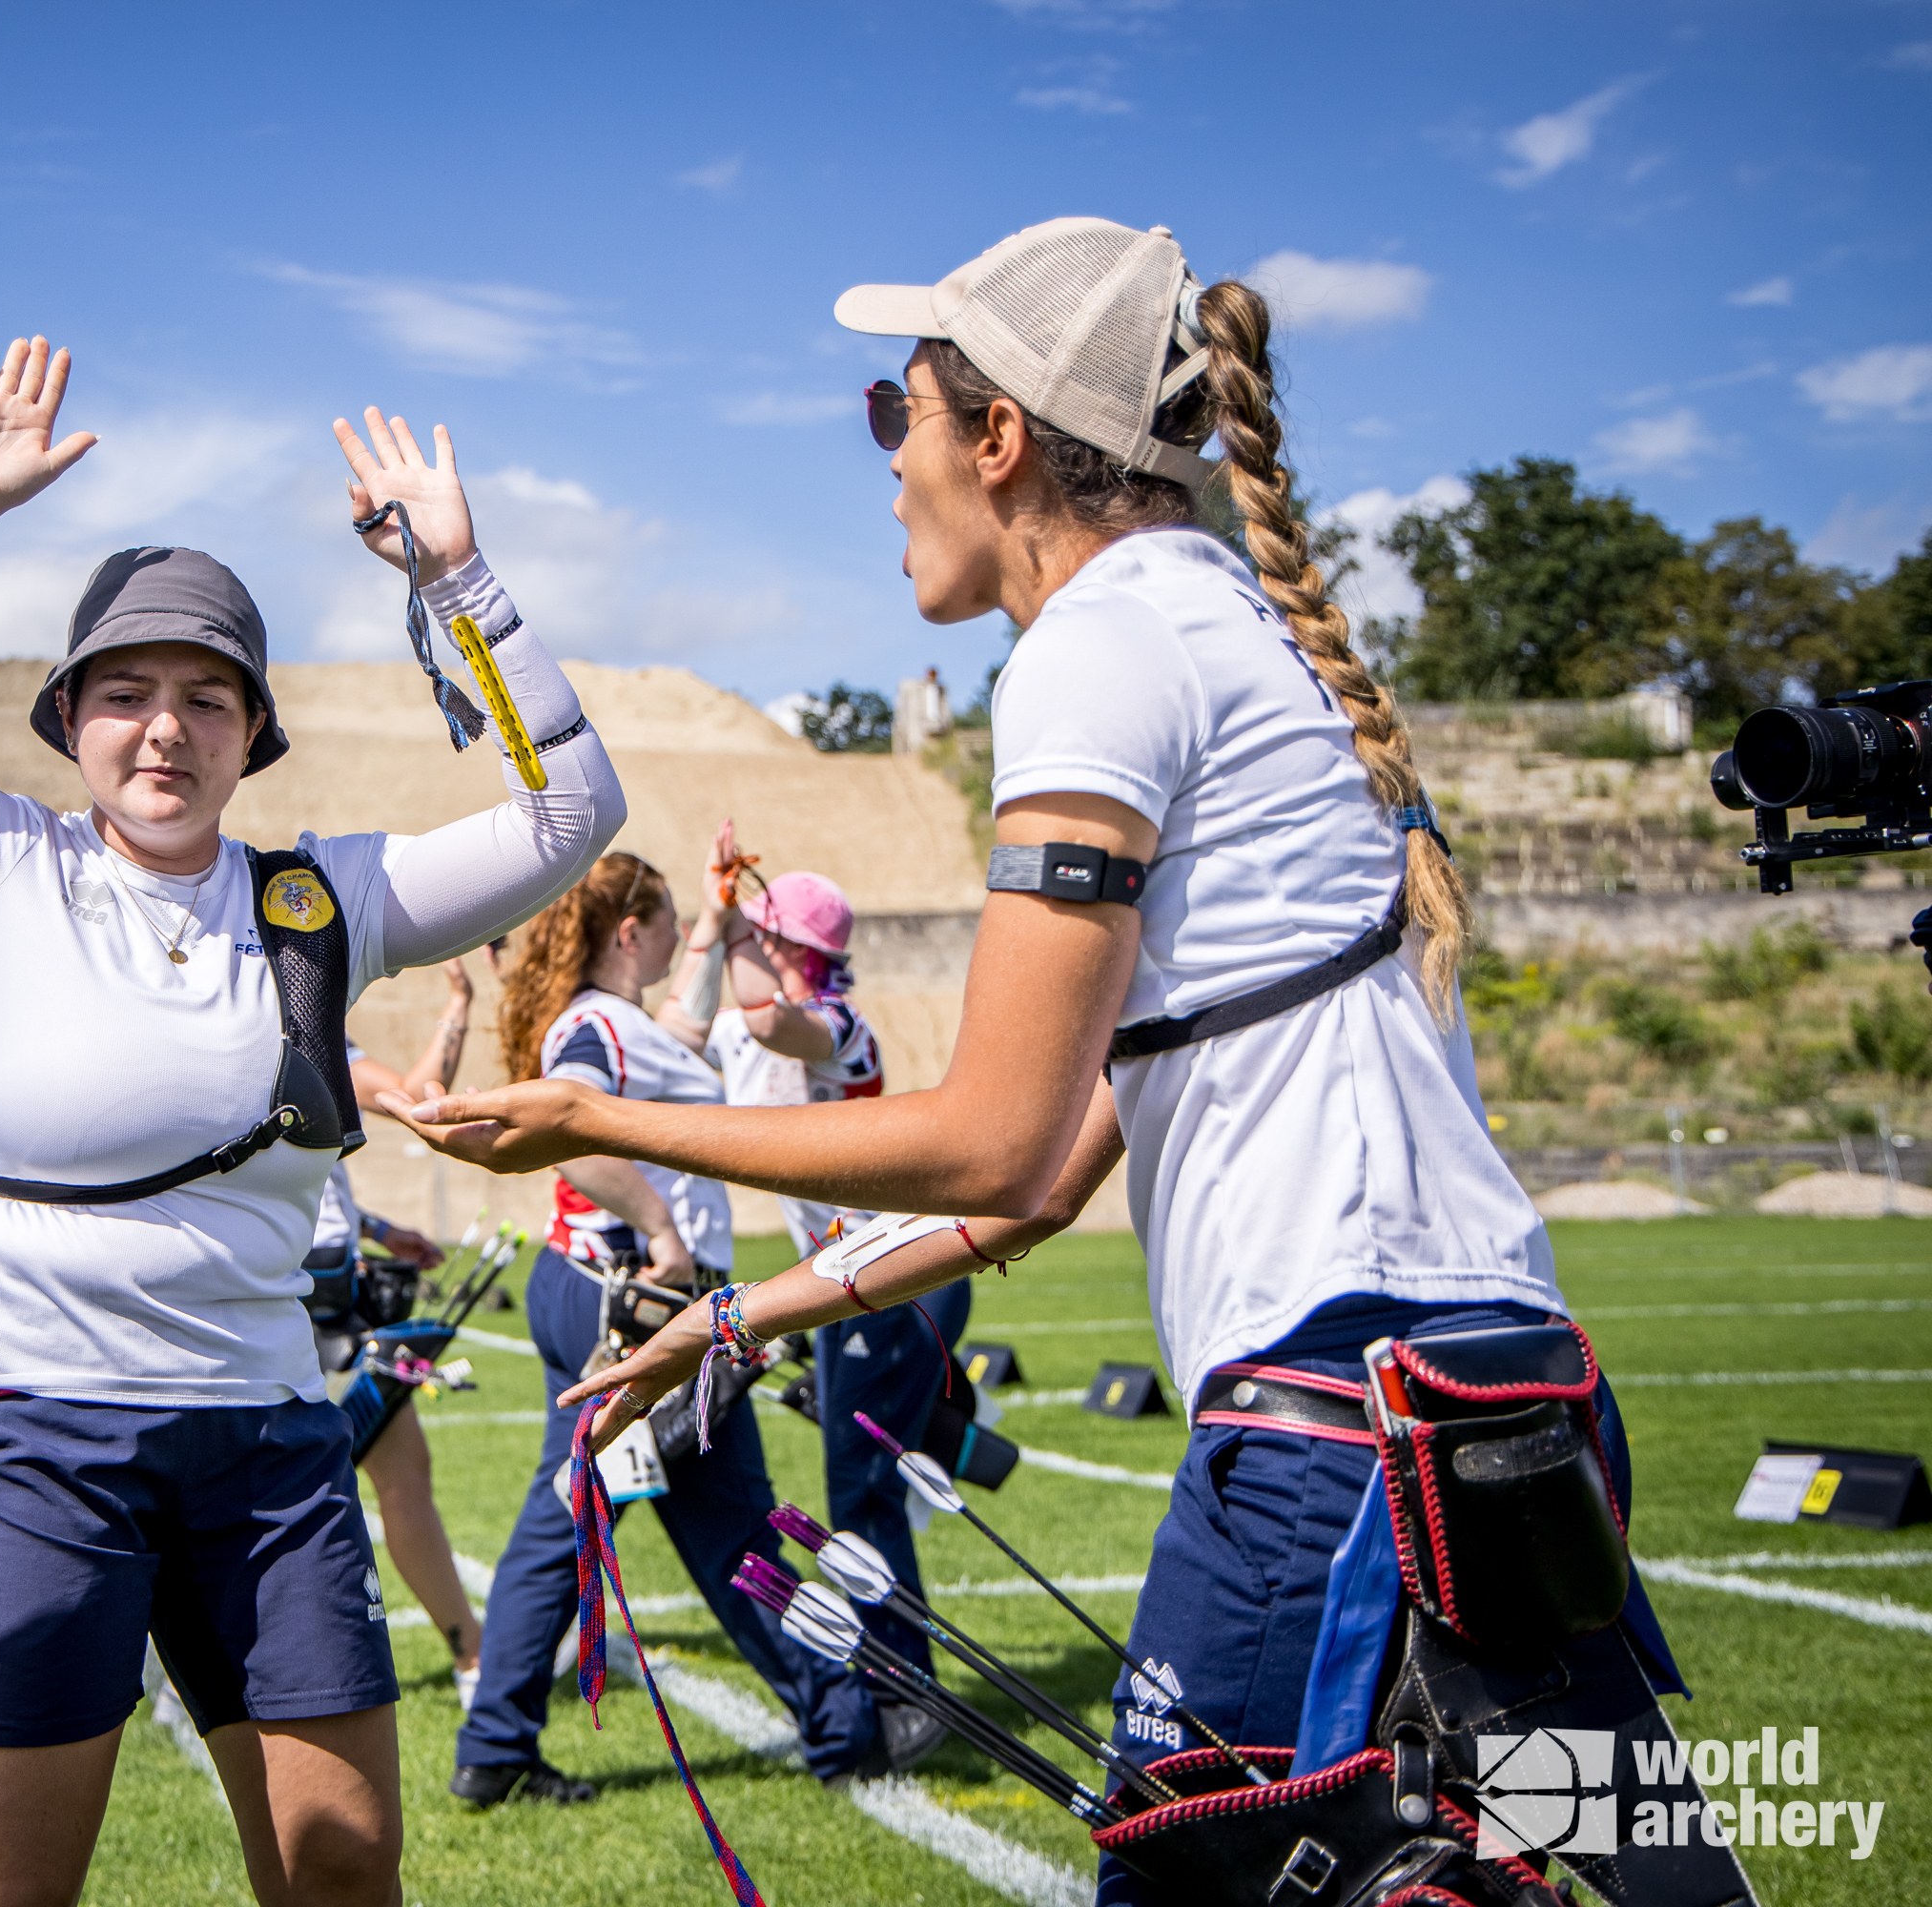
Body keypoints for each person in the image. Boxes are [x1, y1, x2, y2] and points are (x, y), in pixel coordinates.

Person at [391, 216, 1683, 1903]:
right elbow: (1051, 1179)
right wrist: (730, 1316)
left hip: (1338, 1441)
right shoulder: (1227, 624)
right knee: (1629, 1883)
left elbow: (991, 1149)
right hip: (1496, 1406)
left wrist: (585, 1113)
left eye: (895, 414)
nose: (888, 462)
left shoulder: (1102, 641)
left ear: (996, 441)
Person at [0, 360, 621, 1906]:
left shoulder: (320, 901)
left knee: (342, 1877)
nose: (164, 731)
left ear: (253, 730)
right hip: (26, 1443)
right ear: (70, 719)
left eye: (208, 697)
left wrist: (456, 578)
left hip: (266, 1448)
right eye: (125, 692)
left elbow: (568, 813)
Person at [451, 852, 890, 1810]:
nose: (669, 947)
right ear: (628, 933)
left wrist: (714, 913)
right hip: (636, 1295)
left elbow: (682, 1035)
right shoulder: (595, 1025)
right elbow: (571, 1130)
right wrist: (660, 1230)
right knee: (726, 1515)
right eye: (661, 928)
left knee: (587, 1511)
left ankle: (495, 1744)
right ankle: (843, 1724)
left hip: (613, 1291)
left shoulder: (620, 1022)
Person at [654, 826, 963, 1686]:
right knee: (859, 1486)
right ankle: (900, 1682)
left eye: (770, 935)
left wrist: (738, 929)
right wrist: (713, 925)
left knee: (861, 1491)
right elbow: (673, 1039)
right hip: (847, 1284)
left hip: (900, 1279)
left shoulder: (839, 1023)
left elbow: (771, 1018)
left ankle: (904, 1690)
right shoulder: (750, 1019)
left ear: (797, 949)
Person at [312, 961, 487, 1710]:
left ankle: (474, 1653)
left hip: (334, 1296)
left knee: (401, 1469)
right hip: (273, 1301)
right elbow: (421, 1103)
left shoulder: (308, 1025)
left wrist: (379, 1229)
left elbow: (406, 1104)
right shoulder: (257, 1025)